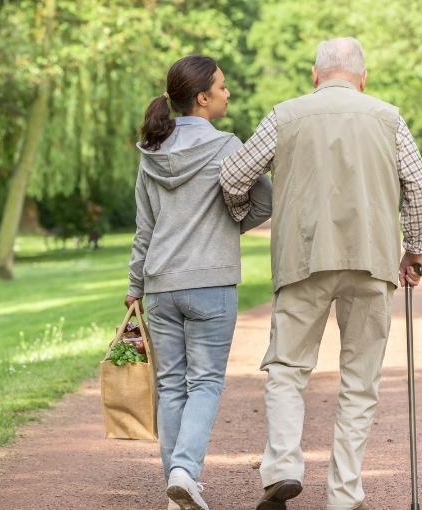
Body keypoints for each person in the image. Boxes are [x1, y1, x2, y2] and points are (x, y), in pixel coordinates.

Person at [220, 37, 422, 510]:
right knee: (360, 381)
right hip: (372, 259)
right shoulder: (388, 117)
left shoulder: (285, 115)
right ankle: (344, 494)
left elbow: (233, 176)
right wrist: (414, 250)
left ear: (315, 76)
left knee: (286, 369)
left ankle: (281, 468)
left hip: (303, 259)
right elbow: (419, 188)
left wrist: (246, 213)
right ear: (364, 77)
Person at [126, 55, 272, 510]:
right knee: (205, 382)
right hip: (210, 283)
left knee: (171, 385)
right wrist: (229, 225)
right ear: (203, 98)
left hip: (161, 285)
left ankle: (177, 486)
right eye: (223, 88)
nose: (229, 94)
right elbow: (265, 201)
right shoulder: (228, 147)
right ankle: (185, 472)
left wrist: (135, 285)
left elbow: (144, 228)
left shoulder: (151, 154)